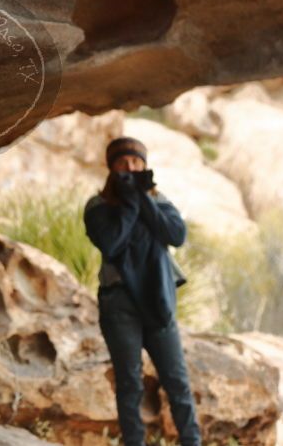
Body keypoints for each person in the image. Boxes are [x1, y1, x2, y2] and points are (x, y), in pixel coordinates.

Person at [83, 137, 201, 445]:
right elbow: (111, 243)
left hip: (159, 300)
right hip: (119, 303)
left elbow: (176, 235)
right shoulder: (98, 206)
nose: (130, 167)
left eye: (136, 162)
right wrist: (131, 202)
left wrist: (144, 199)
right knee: (130, 384)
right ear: (112, 167)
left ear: (145, 166)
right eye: (123, 162)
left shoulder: (160, 200)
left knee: (177, 383)